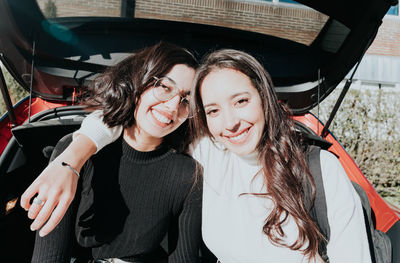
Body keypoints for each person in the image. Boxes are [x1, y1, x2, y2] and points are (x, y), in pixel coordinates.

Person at [22, 49, 372, 263]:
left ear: (264, 97)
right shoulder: (208, 152)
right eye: (213, 110)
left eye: (241, 101)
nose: (231, 123)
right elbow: (133, 121)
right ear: (203, 119)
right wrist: (70, 159)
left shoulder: (319, 170)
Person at [28, 42, 203, 263]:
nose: (173, 107)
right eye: (165, 87)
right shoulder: (75, 153)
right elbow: (49, 256)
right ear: (140, 81)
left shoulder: (188, 175)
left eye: (187, 100)